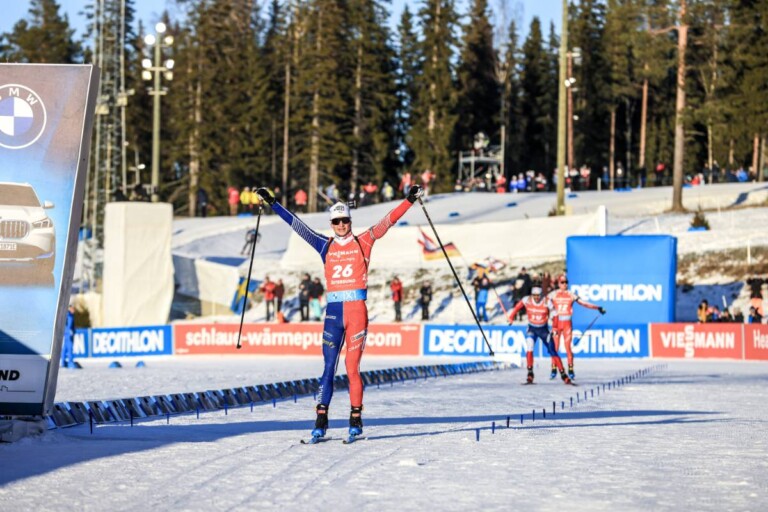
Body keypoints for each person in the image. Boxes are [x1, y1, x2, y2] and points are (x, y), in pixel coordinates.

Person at [257, 184, 424, 441]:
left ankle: (355, 418)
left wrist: (409, 200)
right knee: (328, 367)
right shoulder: (324, 245)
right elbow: (297, 226)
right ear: (331, 224)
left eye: (345, 220)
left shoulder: (364, 241)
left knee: (352, 367)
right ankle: (321, 418)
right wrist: (273, 203)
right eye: (336, 222)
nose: (341, 225)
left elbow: (388, 221)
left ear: (350, 221)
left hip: (356, 312)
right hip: (334, 314)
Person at [507, 283, 572, 385]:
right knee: (529, 348)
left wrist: (555, 328)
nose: (536, 298)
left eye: (538, 295)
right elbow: (517, 307)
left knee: (552, 351)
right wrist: (511, 317)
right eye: (534, 295)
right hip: (532, 328)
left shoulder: (546, 301)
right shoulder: (527, 300)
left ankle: (564, 375)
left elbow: (555, 315)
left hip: (543, 330)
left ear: (541, 295)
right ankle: (530, 374)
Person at [548, 274, 606, 380]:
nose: (565, 284)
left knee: (568, 347)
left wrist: (597, 307)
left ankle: (570, 370)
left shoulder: (571, 294)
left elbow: (584, 303)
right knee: (555, 348)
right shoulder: (553, 294)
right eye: (562, 282)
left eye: (566, 282)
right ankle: (553, 369)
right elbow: (542, 303)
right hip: (556, 325)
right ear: (558, 284)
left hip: (567, 324)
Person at [60, 304, 76, 369]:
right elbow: (68, 325)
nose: (74, 310)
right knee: (70, 348)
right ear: (70, 309)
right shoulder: (69, 315)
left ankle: (63, 362)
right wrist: (70, 331)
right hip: (68, 334)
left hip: (67, 334)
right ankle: (70, 363)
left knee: (65, 348)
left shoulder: (69, 315)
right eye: (73, 308)